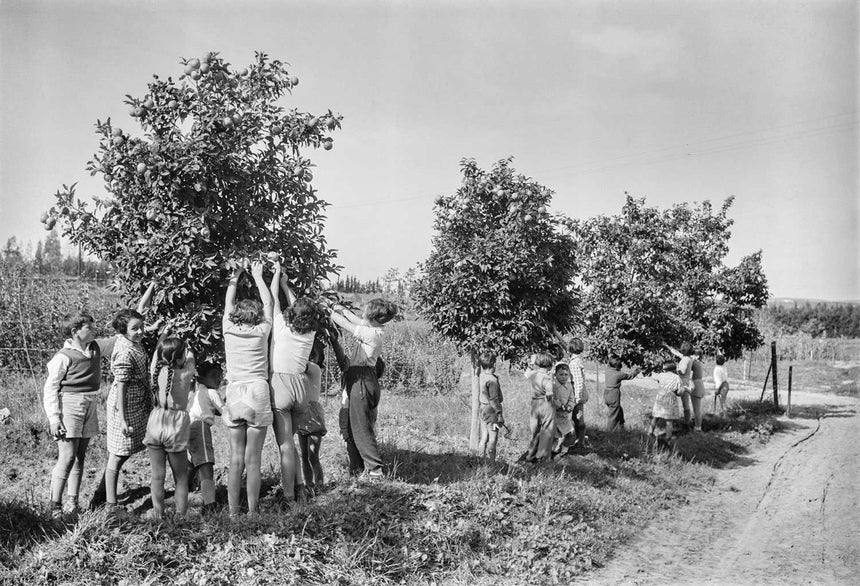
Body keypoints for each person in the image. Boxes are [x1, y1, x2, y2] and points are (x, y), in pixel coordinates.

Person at [222, 261, 273, 516]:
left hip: (235, 393)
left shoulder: (228, 330)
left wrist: (236, 275)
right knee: (254, 460)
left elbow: (227, 304)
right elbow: (270, 304)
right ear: (258, 316)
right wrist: (258, 275)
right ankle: (252, 512)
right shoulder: (262, 331)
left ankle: (233, 513)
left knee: (235, 459)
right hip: (258, 391)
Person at [43, 312, 106, 516]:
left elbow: (119, 339)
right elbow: (50, 388)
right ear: (75, 331)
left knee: (79, 456)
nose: (94, 330)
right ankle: (55, 507)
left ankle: (73, 502)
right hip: (70, 404)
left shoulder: (95, 348)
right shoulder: (63, 356)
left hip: (90, 402)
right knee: (67, 456)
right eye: (89, 327)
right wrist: (54, 418)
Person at [329, 298, 398, 479]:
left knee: (361, 427)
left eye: (366, 311)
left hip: (361, 380)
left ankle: (375, 470)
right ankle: (360, 470)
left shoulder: (372, 334)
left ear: (373, 316)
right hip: (362, 378)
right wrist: (337, 307)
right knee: (356, 426)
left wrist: (326, 311)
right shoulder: (373, 327)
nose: (363, 314)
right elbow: (352, 318)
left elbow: (345, 323)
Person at [268, 260, 318, 505]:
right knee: (292, 442)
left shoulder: (280, 326)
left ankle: (288, 496)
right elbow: (297, 307)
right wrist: (288, 286)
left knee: (285, 445)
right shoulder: (310, 333)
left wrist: (277, 276)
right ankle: (300, 487)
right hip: (302, 389)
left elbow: (275, 301)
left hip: (282, 385)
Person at [103, 308, 152, 510]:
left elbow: (139, 309)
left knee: (123, 452)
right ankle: (110, 502)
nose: (140, 332)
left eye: (141, 327)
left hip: (136, 401)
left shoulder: (129, 341)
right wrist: (123, 419)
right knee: (118, 453)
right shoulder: (125, 350)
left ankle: (107, 495)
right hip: (126, 405)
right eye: (135, 329)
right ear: (123, 330)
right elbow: (121, 388)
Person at [144, 337, 195, 520]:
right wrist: (187, 344)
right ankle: (181, 514)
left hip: (156, 420)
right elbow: (191, 358)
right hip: (177, 424)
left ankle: (158, 513)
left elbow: (156, 356)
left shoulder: (156, 371)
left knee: (157, 475)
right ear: (181, 356)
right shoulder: (185, 373)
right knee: (180, 477)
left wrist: (163, 336)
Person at [186, 362, 225, 513]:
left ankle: (185, 494)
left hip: (186, 427)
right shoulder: (211, 392)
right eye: (214, 376)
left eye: (219, 376)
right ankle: (210, 504)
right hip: (200, 426)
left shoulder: (195, 394)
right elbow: (224, 411)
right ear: (201, 378)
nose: (218, 379)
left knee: (191, 463)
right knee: (205, 463)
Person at [295, 337, 328, 496]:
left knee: (313, 455)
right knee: (304, 455)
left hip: (313, 413)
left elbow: (299, 363)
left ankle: (320, 485)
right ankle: (309, 484)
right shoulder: (301, 373)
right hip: (302, 413)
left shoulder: (314, 368)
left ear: (314, 357)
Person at [522, 352, 556, 462]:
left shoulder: (533, 374)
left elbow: (526, 374)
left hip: (534, 404)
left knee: (535, 430)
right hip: (545, 403)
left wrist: (530, 364)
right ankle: (543, 456)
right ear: (550, 365)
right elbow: (549, 392)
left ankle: (530, 454)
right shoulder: (547, 378)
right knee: (547, 429)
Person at [476, 350, 504, 461]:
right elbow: (494, 399)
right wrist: (499, 415)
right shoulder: (492, 380)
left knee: (484, 437)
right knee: (493, 438)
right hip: (491, 411)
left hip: (482, 408)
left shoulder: (481, 376)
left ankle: (479, 458)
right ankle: (492, 462)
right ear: (494, 364)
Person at [649, 360, 683, 447]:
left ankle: (650, 432)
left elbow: (655, 378)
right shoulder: (677, 378)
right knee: (669, 420)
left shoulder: (661, 375)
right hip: (670, 398)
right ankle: (668, 438)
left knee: (656, 417)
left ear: (665, 368)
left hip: (660, 397)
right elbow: (679, 391)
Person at [603, 356, 641, 432]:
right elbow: (630, 376)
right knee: (613, 415)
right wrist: (636, 371)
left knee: (618, 410)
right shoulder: (619, 374)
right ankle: (610, 433)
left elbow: (607, 364)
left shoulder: (607, 370)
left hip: (606, 394)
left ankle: (621, 425)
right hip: (613, 394)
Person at [665, 342, 697, 430]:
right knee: (686, 404)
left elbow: (682, 371)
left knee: (680, 402)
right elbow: (678, 354)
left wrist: (675, 368)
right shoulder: (688, 358)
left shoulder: (686, 360)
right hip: (685, 383)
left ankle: (681, 423)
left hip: (682, 384)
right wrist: (668, 346)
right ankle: (687, 423)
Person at [568, 338, 589, 449]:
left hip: (578, 394)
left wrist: (577, 398)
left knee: (579, 418)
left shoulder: (574, 363)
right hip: (579, 394)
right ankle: (579, 440)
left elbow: (578, 381)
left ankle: (580, 442)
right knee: (576, 418)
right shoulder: (577, 359)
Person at [551, 363, 576, 456]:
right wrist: (561, 405)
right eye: (561, 374)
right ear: (555, 375)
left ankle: (563, 452)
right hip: (555, 415)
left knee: (570, 433)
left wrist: (570, 406)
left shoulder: (569, 386)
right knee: (555, 436)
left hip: (564, 415)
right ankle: (553, 452)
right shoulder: (553, 386)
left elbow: (571, 399)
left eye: (566, 374)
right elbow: (553, 399)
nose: (564, 377)